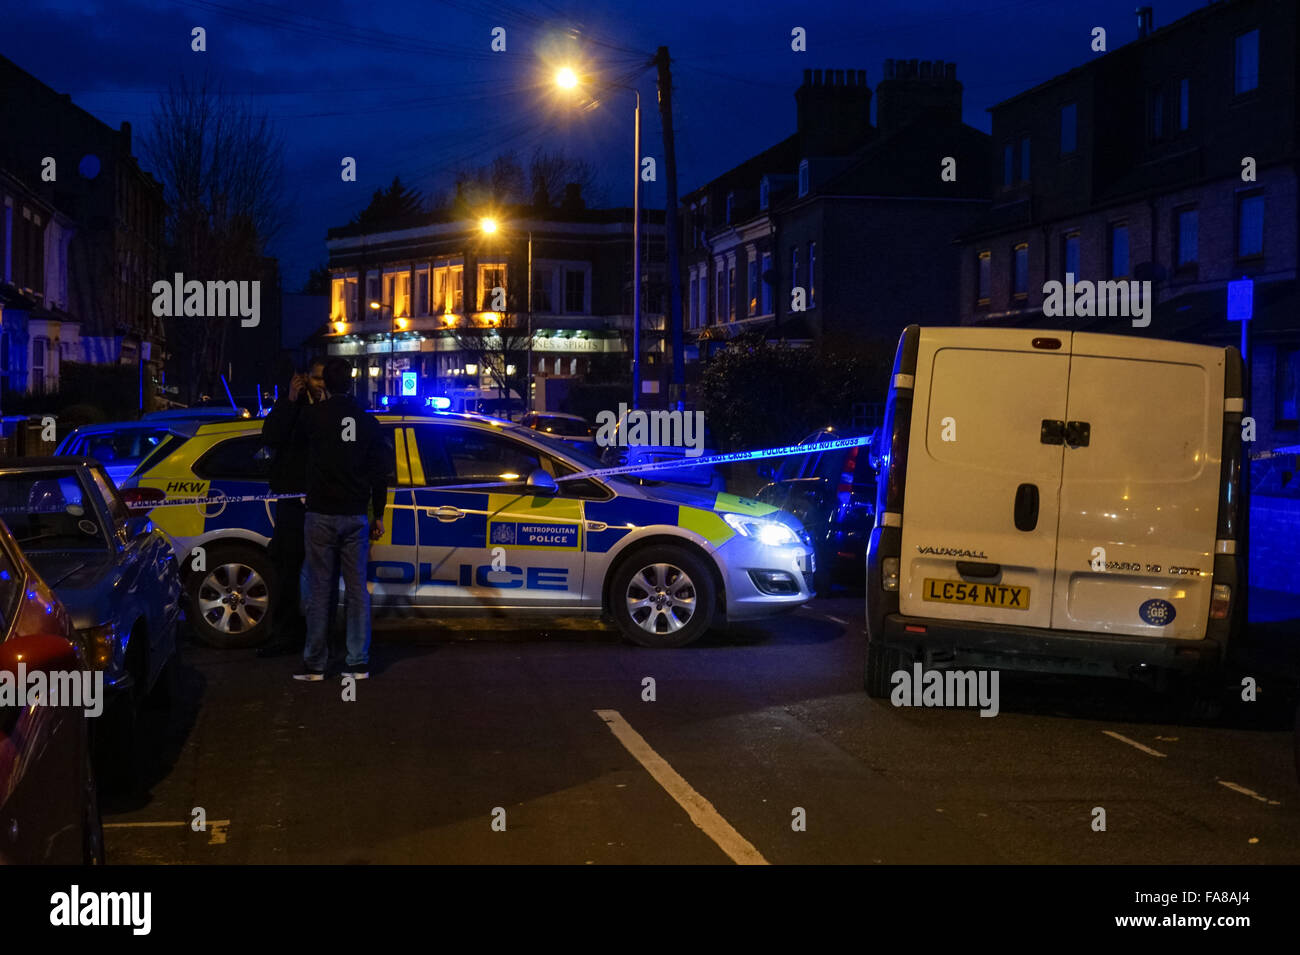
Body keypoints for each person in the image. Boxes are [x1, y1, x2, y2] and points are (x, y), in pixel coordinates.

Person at [295, 358, 387, 682]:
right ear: (351, 383)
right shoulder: (367, 422)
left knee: (321, 590)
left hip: (320, 514)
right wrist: (379, 512)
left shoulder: (313, 417)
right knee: (357, 589)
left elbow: (289, 444)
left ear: (326, 385)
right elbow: (380, 472)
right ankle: (357, 662)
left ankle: (315, 664)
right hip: (356, 514)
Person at [257, 358, 325, 658]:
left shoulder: (331, 410)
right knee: (287, 574)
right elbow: (271, 436)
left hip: (323, 504)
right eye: (315, 377)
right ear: (302, 378)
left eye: (324, 378)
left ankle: (316, 636)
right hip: (292, 507)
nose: (319, 383)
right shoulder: (292, 408)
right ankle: (286, 634)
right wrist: (289, 400)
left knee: (319, 574)